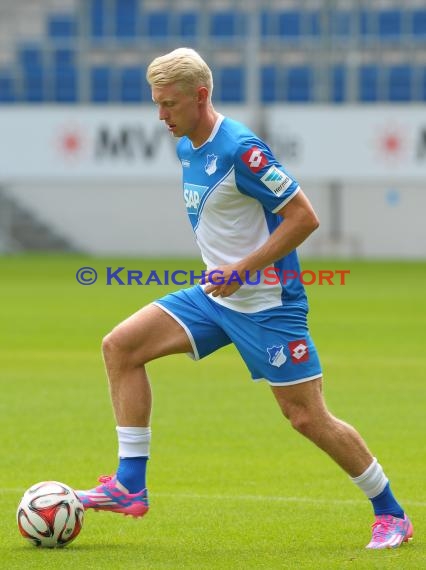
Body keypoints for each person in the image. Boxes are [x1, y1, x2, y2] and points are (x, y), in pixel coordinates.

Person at [77, 48, 413, 550]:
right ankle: (129, 484)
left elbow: (305, 217)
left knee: (306, 416)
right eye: (157, 104)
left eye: (169, 104)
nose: (160, 116)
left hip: (268, 305)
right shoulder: (188, 145)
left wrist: (243, 269)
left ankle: (391, 513)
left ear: (201, 96)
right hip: (216, 297)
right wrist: (229, 274)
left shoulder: (242, 149)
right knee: (121, 347)